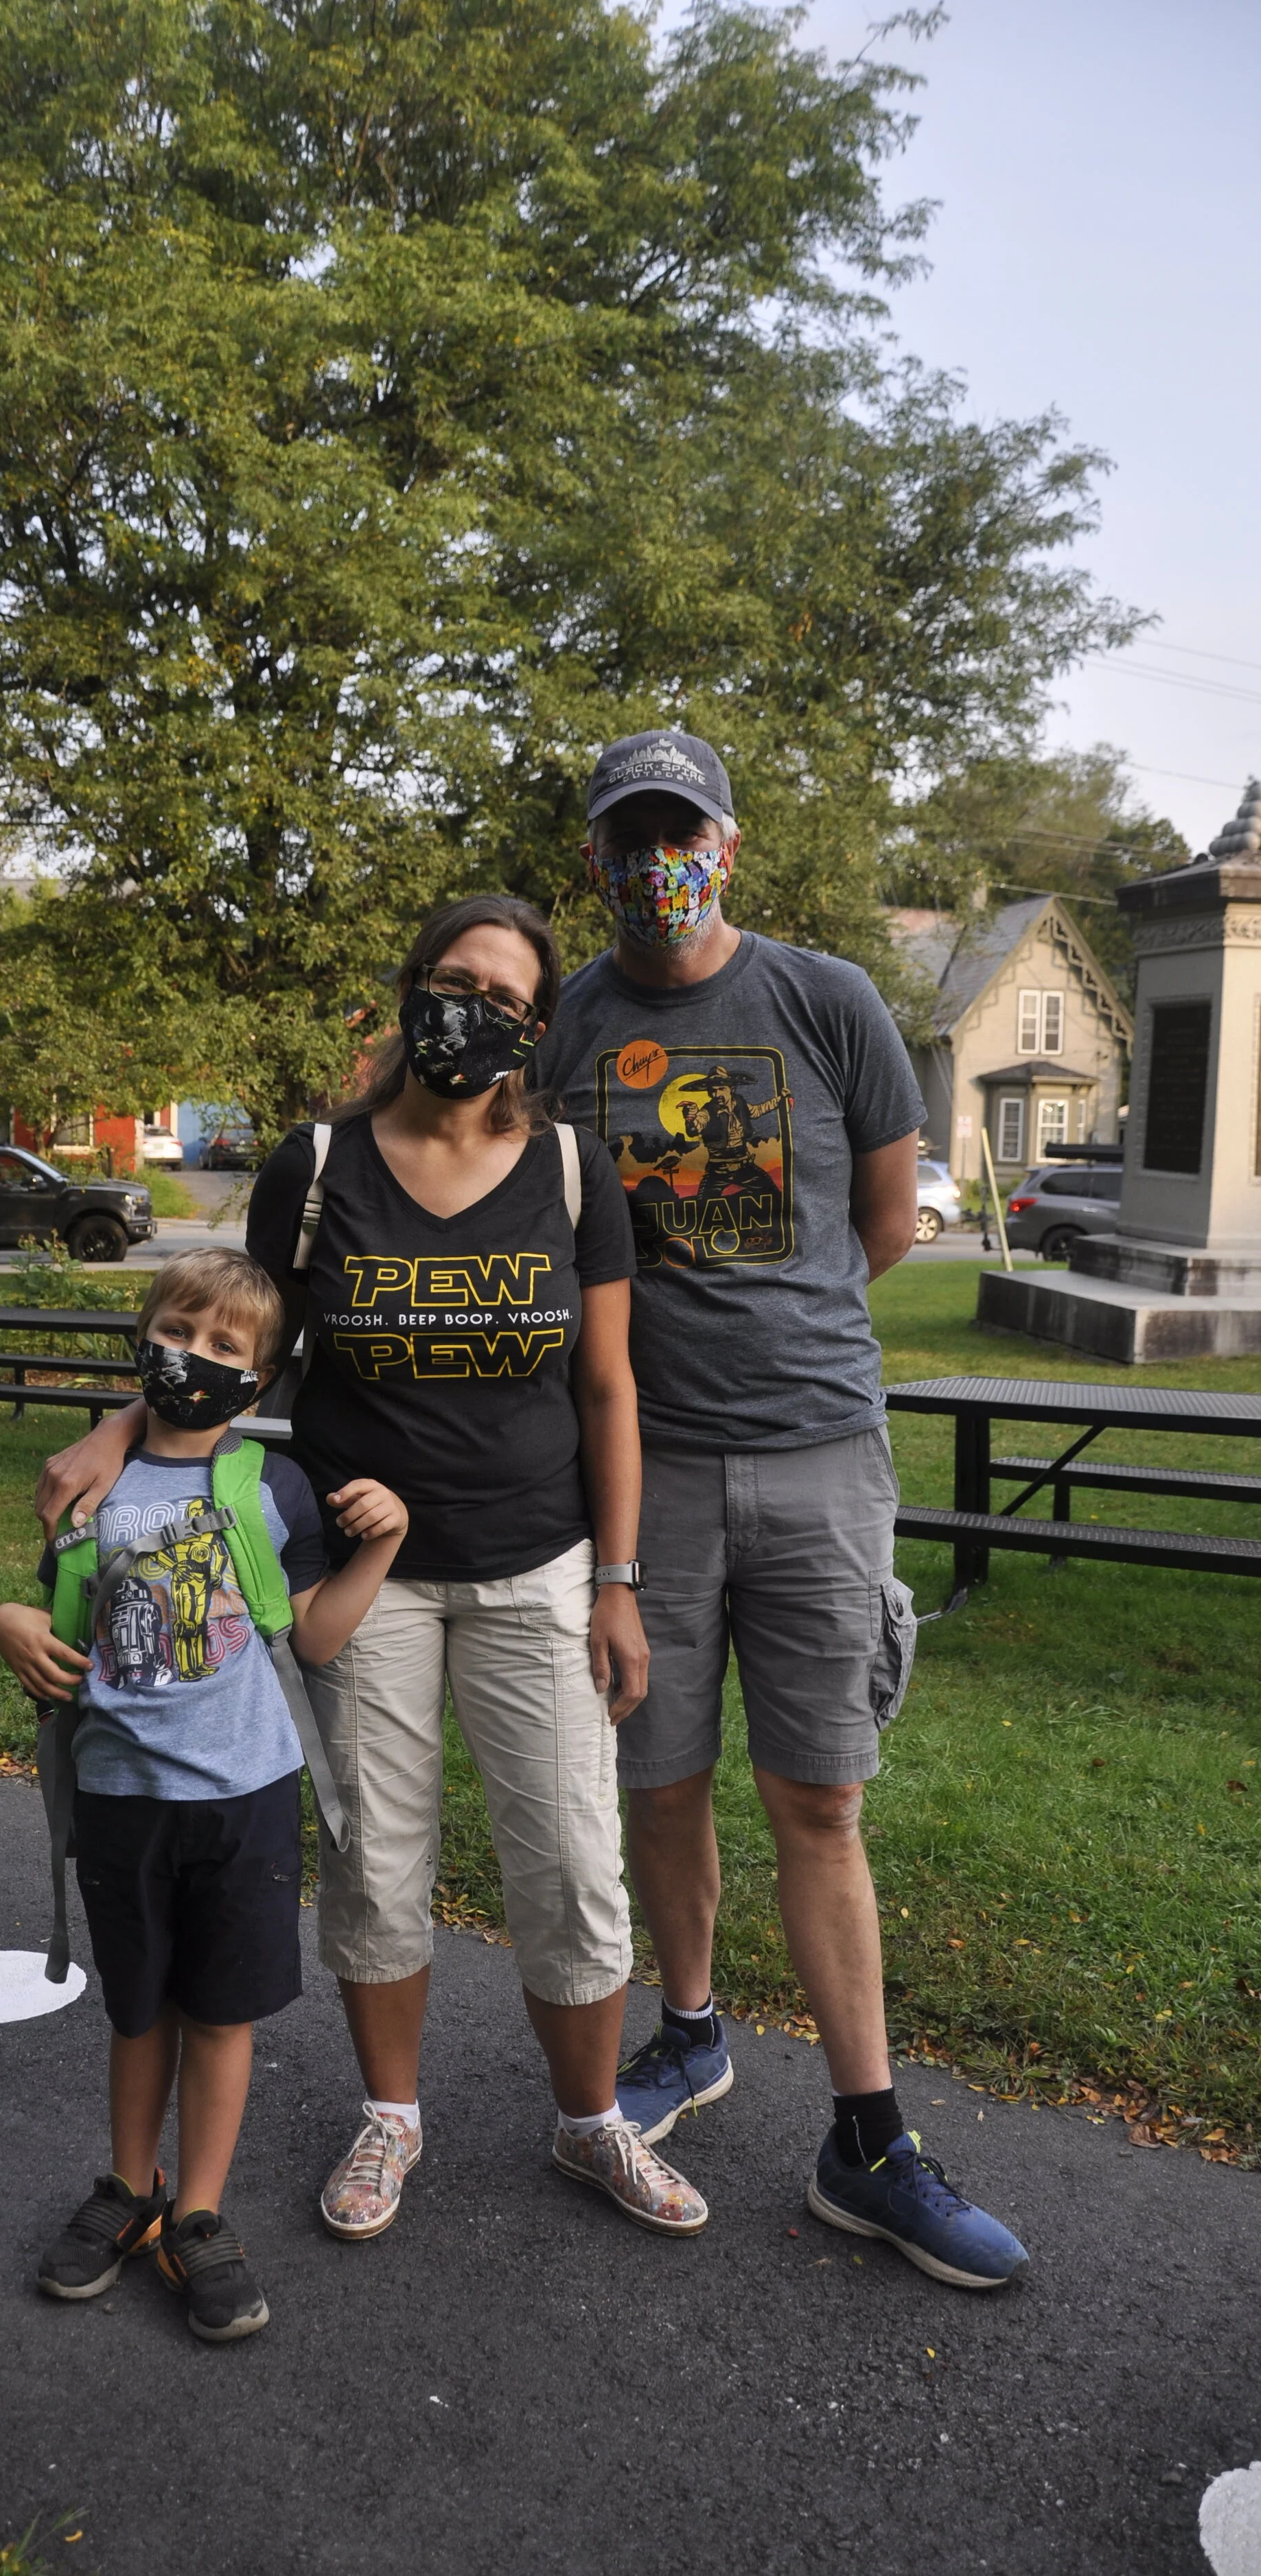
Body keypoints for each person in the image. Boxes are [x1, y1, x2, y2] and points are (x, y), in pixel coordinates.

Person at [39, 896, 707, 2243]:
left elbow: (606, 1388)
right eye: (444, 980)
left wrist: (620, 1579)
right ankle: (389, 2116)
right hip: (359, 1579)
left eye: (498, 994)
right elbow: (246, 1342)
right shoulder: (319, 1161)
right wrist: (127, 1418)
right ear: (410, 992)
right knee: (374, 1863)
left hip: (537, 1566)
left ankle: (589, 2124)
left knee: (573, 1861)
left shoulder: (573, 1171)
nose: (464, 1008)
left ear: (533, 1028)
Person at [532, 727, 1028, 2289]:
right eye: (627, 835)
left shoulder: (825, 997)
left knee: (819, 1797)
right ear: (597, 855)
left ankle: (867, 2142)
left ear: (726, 845)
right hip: (645, 1472)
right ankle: (689, 2034)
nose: (652, 858)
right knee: (661, 1780)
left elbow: (886, 1221)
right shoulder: (569, 1030)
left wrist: (774, 1320)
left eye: (679, 830)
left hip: (821, 1451)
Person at [0, 1248, 408, 2342]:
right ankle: (131, 2192)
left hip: (247, 1799)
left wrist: (387, 1547)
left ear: (258, 1380)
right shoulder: (90, 1478)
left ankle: (203, 2212)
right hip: (121, 1793)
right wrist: (9, 1625)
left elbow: (311, 1639)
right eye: (180, 1331)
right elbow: (56, 1623)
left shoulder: (272, 1491)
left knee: (219, 2014)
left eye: (227, 1348)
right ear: (145, 1337)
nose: (196, 1358)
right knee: (139, 2010)